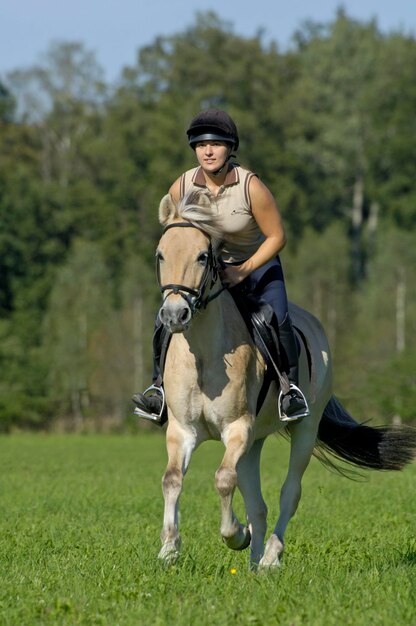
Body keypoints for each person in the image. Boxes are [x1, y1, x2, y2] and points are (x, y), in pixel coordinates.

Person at [133, 108, 309, 423]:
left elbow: (278, 236)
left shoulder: (250, 186)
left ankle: (289, 390)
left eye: (216, 144)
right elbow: (176, 233)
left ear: (230, 148)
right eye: (201, 145)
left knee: (276, 318)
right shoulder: (183, 185)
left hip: (257, 267)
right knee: (165, 318)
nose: (208, 151)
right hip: (206, 274)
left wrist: (243, 269)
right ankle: (157, 389)